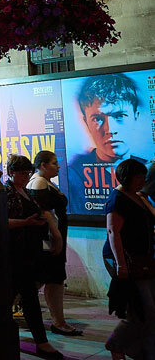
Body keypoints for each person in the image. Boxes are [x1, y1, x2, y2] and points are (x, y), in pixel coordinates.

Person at [6, 154, 64, 359]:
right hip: (16, 253)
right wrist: (26, 223)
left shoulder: (22, 191)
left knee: (25, 297)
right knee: (26, 297)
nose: (25, 176)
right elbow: (0, 221)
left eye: (27, 173)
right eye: (22, 173)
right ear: (11, 172)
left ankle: (40, 341)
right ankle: (40, 342)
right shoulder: (7, 192)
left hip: (28, 251)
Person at [67, 74, 147, 214]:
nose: (110, 130)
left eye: (120, 116)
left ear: (136, 116)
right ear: (86, 123)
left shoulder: (149, 169)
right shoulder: (73, 176)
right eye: (97, 119)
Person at [103, 159, 155, 359]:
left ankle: (140, 349)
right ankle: (116, 344)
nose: (142, 181)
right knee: (143, 309)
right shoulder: (117, 198)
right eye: (138, 177)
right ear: (127, 178)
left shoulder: (138, 196)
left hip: (144, 260)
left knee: (146, 309)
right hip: (127, 260)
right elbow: (112, 231)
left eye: (144, 177)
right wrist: (121, 265)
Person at [28, 150, 82, 336]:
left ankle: (58, 321)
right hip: (49, 241)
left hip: (52, 239)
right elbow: (45, 213)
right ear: (43, 165)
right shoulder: (39, 183)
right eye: (54, 163)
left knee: (50, 279)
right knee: (50, 278)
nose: (58, 166)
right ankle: (58, 321)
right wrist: (56, 237)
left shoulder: (44, 182)